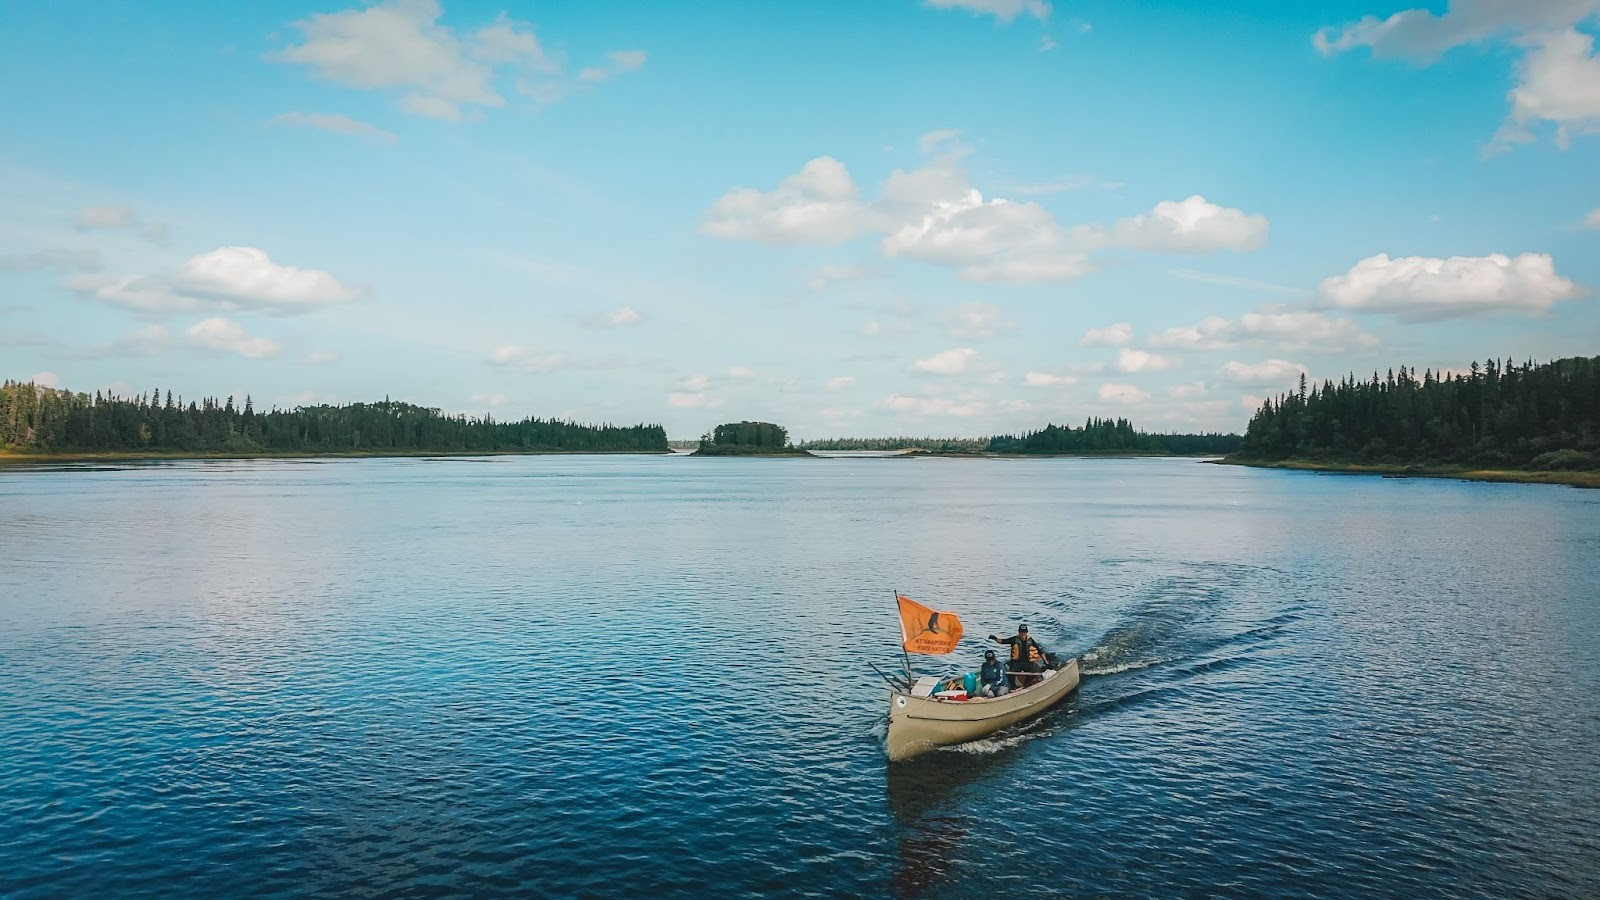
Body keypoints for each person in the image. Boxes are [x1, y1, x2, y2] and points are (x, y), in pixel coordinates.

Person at [989, 623, 1048, 688]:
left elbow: (1040, 652)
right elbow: (1003, 641)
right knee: (1010, 675)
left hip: (1028, 663)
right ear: (1019, 632)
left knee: (1033, 672)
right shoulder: (1014, 639)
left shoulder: (1031, 640)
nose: (1023, 634)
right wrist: (995, 639)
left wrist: (1046, 662)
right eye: (1021, 632)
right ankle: (1013, 687)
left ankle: (1026, 685)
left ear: (1027, 632)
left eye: (1024, 632)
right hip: (1017, 663)